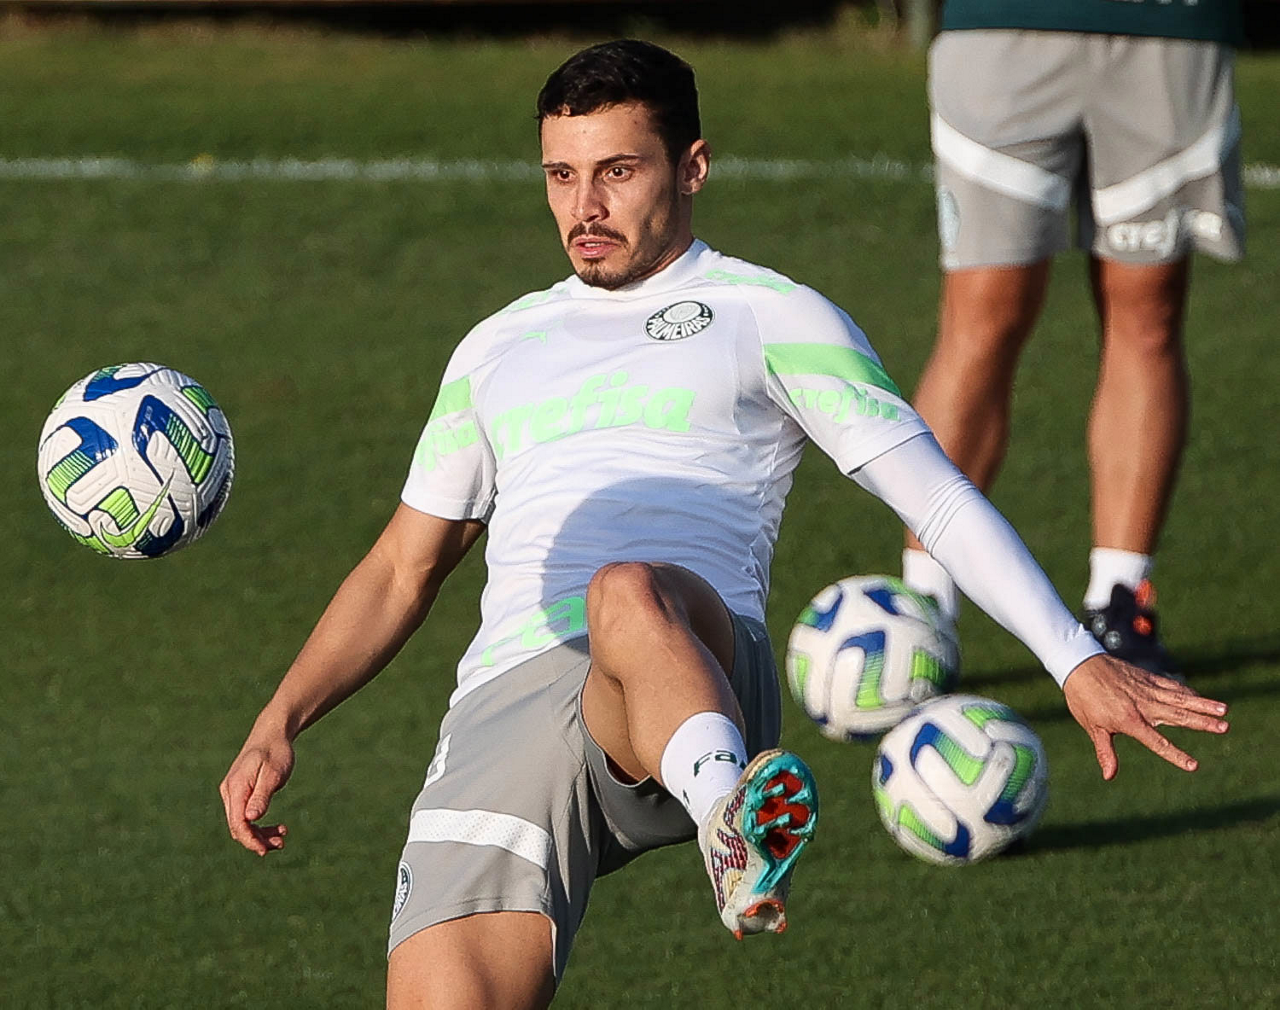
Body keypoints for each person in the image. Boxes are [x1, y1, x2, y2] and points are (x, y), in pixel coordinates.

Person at [219, 40, 1229, 1009]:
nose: (584, 206)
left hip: (693, 656)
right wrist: (281, 717)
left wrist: (1073, 658)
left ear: (692, 167)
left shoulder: (769, 314)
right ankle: (730, 823)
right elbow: (402, 567)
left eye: (616, 171)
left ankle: (731, 822)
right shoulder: (494, 348)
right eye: (561, 176)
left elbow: (935, 495)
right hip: (509, 699)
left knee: (625, 589)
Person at [902, 1, 1246, 676]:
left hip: (1170, 25)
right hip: (1001, 22)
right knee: (982, 314)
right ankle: (924, 606)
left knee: (1148, 312)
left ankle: (1121, 601)